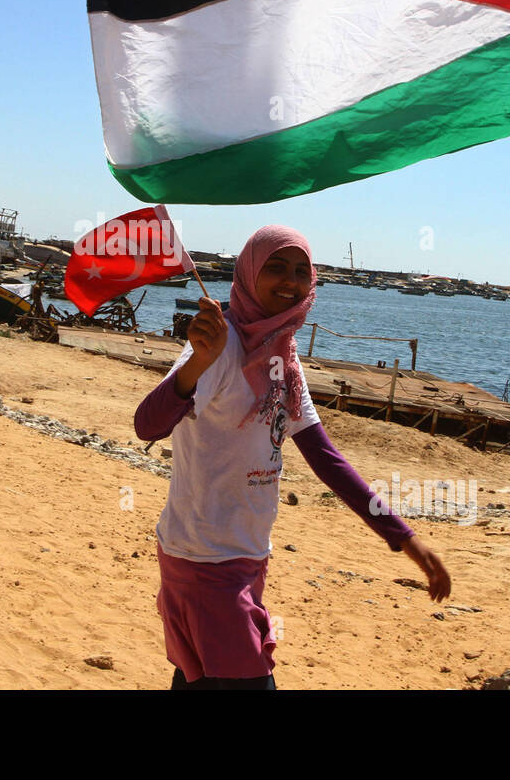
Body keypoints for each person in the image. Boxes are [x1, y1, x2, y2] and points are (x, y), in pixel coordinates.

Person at [134, 226, 450, 689]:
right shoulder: (219, 347)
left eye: (302, 271)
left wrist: (404, 539)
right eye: (276, 268)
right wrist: (199, 362)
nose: (291, 281)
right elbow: (147, 424)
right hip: (205, 558)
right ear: (248, 274)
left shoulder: (282, 355)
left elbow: (325, 458)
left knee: (198, 677)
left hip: (244, 556)